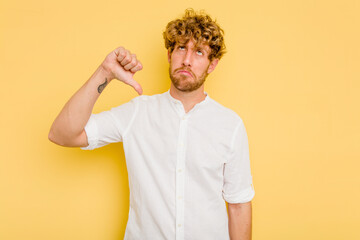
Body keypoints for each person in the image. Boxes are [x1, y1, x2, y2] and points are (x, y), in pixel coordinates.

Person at [49, 9, 255, 240]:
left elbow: (238, 205)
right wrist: (105, 72)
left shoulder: (230, 125)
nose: (187, 60)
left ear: (212, 64)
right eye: (181, 48)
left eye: (199, 52)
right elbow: (62, 134)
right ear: (169, 54)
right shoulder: (137, 113)